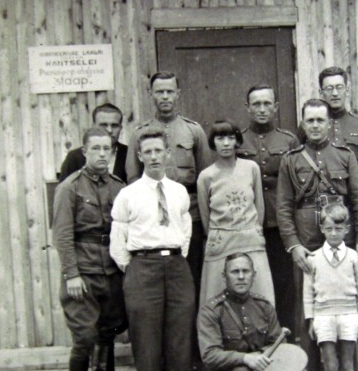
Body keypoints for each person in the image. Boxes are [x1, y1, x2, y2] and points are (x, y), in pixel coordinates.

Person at [277, 98, 358, 371]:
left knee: (348, 304)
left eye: (320, 120)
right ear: (302, 124)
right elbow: (283, 207)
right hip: (307, 240)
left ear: (329, 123)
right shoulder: (291, 160)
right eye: (310, 120)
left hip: (341, 237)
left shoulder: (345, 156)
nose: (315, 125)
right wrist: (293, 245)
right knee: (307, 308)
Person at [110, 131, 196, 371]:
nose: (154, 156)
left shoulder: (179, 192)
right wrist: (134, 268)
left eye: (159, 150)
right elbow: (117, 241)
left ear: (168, 153)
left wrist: (173, 258)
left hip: (176, 267)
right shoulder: (128, 195)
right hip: (142, 269)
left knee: (179, 346)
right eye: (148, 152)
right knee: (147, 348)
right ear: (140, 156)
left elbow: (185, 231)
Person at [53, 126, 126, 371]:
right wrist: (71, 274)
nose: (101, 154)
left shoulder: (119, 187)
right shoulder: (69, 187)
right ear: (84, 152)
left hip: (111, 270)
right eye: (95, 148)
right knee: (84, 337)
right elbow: (62, 235)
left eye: (106, 149)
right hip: (82, 273)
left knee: (107, 331)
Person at [125, 72, 212, 290]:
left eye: (169, 91)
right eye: (159, 92)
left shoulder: (193, 131)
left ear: (178, 94)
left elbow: (205, 179)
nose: (165, 96)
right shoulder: (139, 134)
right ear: (151, 94)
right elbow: (133, 179)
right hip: (151, 216)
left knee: (190, 275)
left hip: (188, 213)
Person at [303, 204, 358, 371]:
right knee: (330, 364)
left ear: (347, 229)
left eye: (338, 229)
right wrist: (311, 319)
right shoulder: (313, 258)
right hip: (324, 315)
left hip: (349, 314)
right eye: (329, 228)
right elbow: (308, 292)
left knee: (347, 363)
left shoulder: (353, 257)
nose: (333, 233)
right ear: (322, 228)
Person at [239, 84, 299, 331]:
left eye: (267, 104)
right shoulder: (238, 140)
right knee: (250, 282)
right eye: (256, 104)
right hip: (248, 224)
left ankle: (286, 337)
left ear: (275, 107)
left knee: (283, 282)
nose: (262, 109)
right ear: (248, 108)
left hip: (279, 223)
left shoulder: (289, 140)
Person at [197, 119, 275, 306]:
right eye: (220, 138)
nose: (225, 143)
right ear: (213, 142)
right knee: (217, 296)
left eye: (230, 138)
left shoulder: (251, 168)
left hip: (250, 238)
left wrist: (253, 230)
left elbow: (259, 205)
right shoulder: (206, 176)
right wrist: (218, 233)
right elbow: (205, 215)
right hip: (221, 241)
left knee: (259, 291)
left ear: (237, 141)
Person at [58, 103, 128, 182]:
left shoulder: (129, 155)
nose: (109, 130)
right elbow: (65, 188)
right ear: (93, 126)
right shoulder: (74, 158)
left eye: (114, 125)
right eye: (104, 125)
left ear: (120, 128)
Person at [318, 67, 358, 164]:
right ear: (321, 93)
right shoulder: (310, 126)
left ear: (347, 90)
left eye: (339, 87)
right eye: (329, 88)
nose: (335, 93)